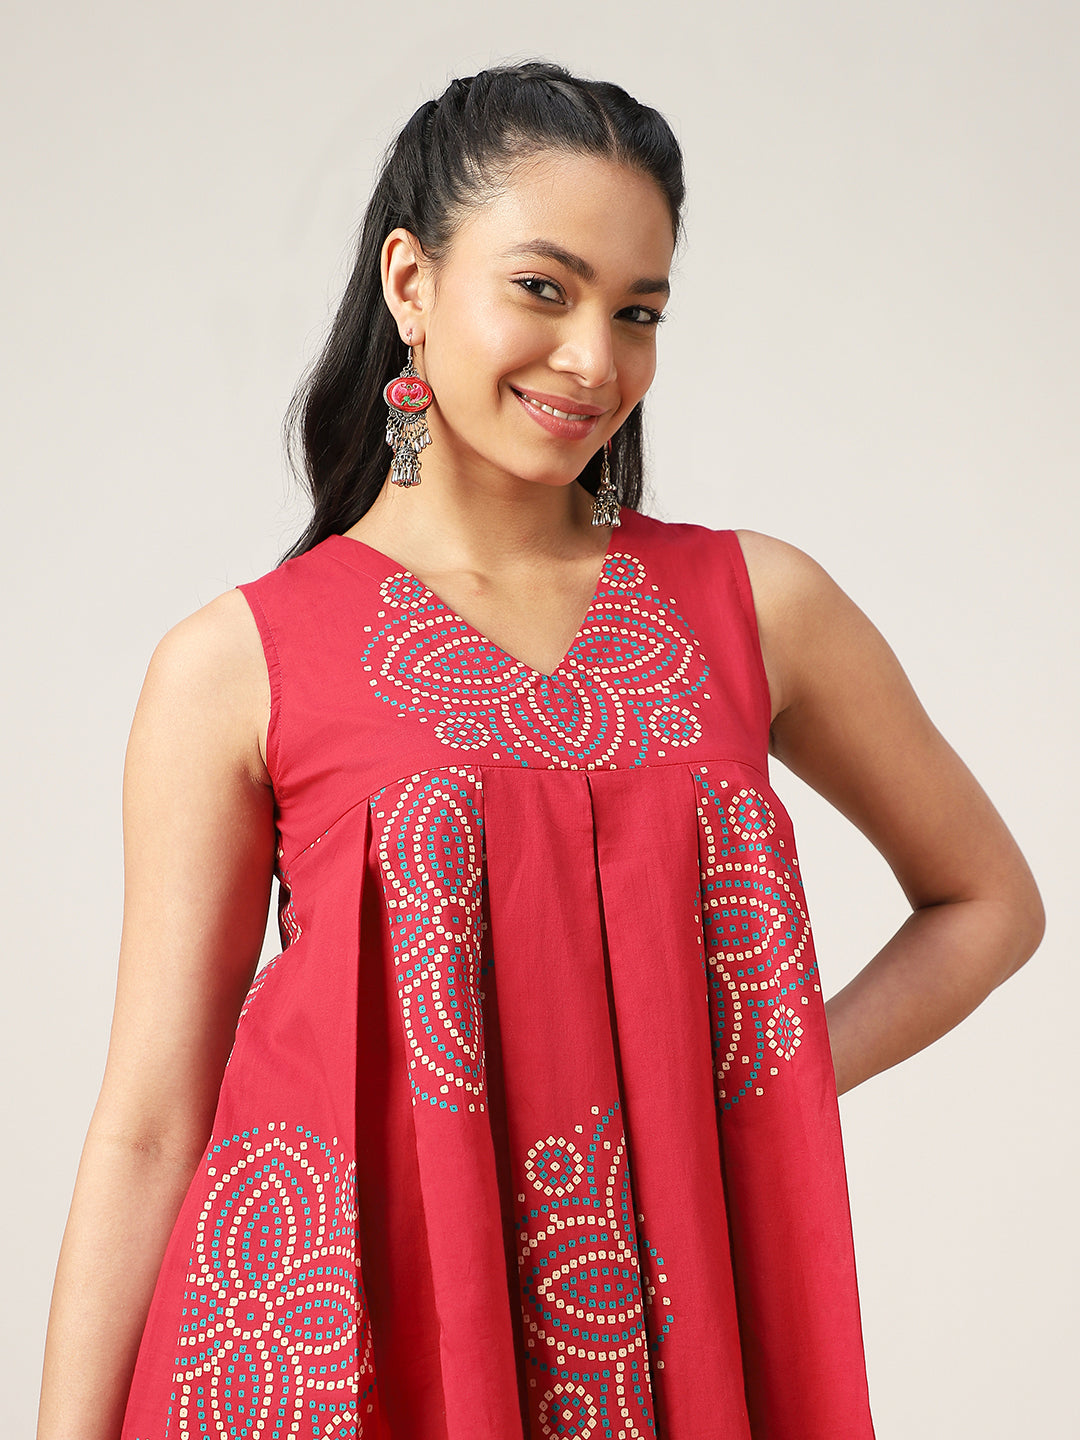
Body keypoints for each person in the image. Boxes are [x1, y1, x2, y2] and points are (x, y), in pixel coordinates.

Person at [36, 60, 1043, 1440]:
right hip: (337, 1351)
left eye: (638, 313)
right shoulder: (234, 663)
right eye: (543, 289)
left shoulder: (758, 605)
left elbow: (987, 901)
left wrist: (753, 1080)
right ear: (411, 282)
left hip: (664, 1329)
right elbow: (153, 1123)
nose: (594, 361)